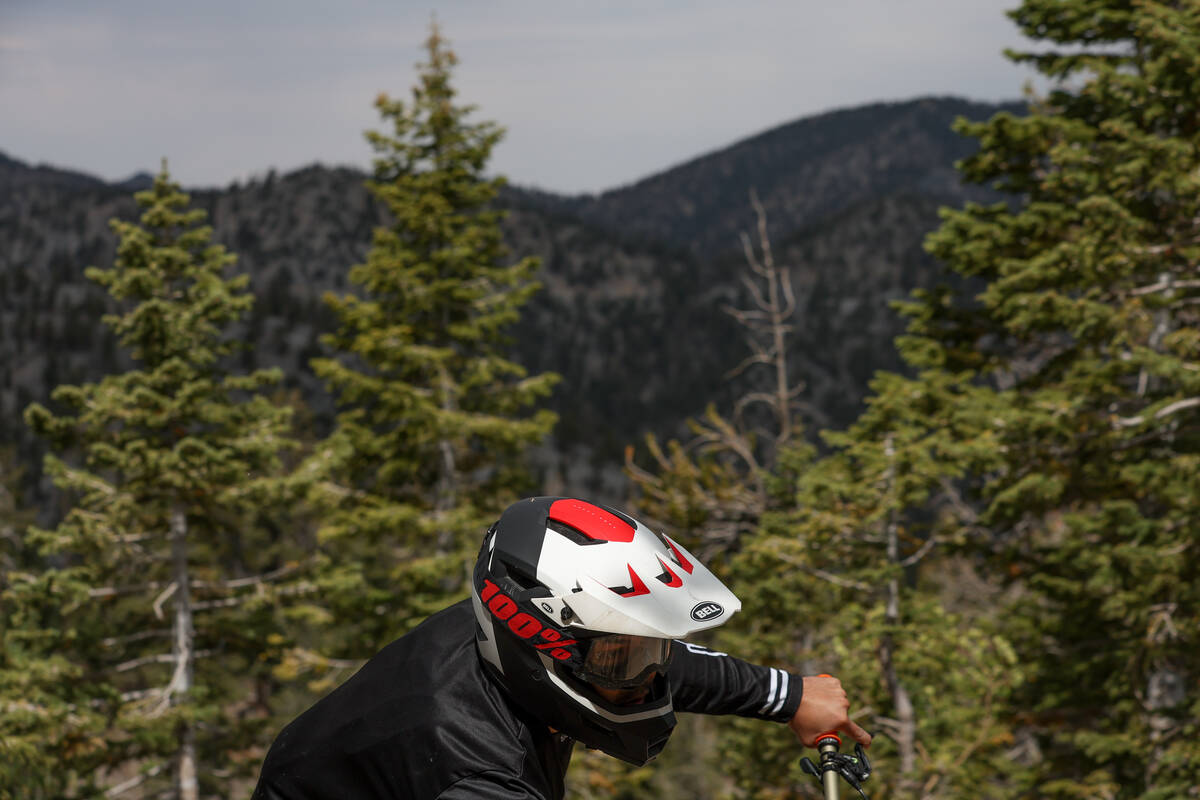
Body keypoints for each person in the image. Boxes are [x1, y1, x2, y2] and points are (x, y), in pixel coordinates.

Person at [253, 496, 871, 799]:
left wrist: (785, 696)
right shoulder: (481, 771)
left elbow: (628, 656)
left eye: (646, 649)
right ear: (540, 648)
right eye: (624, 659)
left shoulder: (506, 632)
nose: (648, 674)